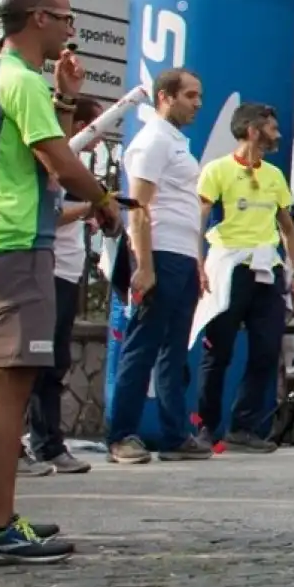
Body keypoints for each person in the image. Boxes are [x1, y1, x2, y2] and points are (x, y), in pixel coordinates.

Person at [0, 0, 120, 564]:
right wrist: (102, 199)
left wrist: (65, 97)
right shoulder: (20, 79)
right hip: (14, 245)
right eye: (64, 19)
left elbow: (25, 155)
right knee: (9, 386)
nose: (70, 30)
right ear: (36, 19)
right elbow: (57, 159)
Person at [106, 68, 210, 465]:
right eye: (190, 96)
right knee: (142, 346)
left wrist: (196, 262)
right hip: (159, 254)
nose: (197, 104)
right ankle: (122, 435)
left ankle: (174, 434)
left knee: (173, 351)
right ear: (165, 96)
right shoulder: (151, 140)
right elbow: (138, 208)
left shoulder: (177, 142)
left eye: (199, 96)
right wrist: (144, 264)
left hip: (182, 257)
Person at [192, 104, 294, 450]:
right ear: (253, 130)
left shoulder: (273, 175)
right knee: (218, 352)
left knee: (267, 351)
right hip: (228, 267)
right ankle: (208, 429)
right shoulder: (217, 170)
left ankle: (244, 427)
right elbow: (199, 219)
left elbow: (288, 227)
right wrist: (197, 263)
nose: (278, 135)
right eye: (272, 128)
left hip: (267, 269)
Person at [23, 96, 101, 474]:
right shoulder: (47, 162)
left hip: (70, 270)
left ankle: (49, 444)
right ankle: (32, 444)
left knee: (56, 361)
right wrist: (93, 206)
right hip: (44, 268)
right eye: (92, 127)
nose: (97, 139)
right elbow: (47, 216)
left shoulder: (77, 165)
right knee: (33, 363)